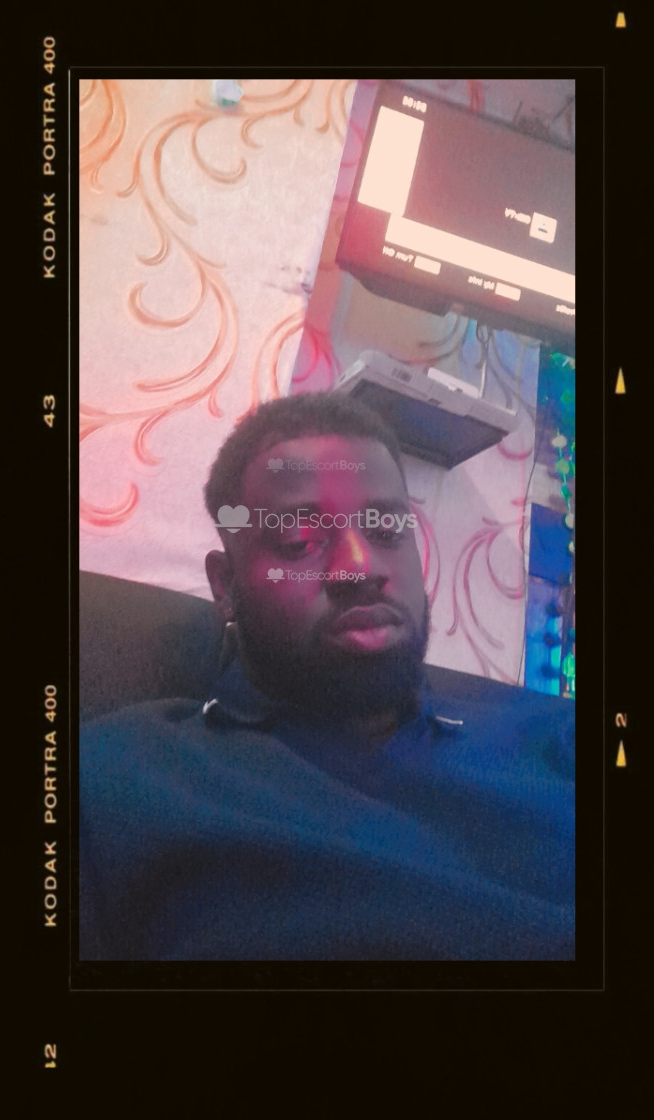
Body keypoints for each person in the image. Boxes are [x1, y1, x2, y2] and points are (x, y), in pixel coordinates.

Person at [80, 392, 574, 961]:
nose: (360, 567)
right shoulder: (120, 780)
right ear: (225, 585)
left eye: (386, 530)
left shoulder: (554, 739)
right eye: (299, 542)